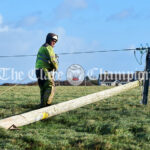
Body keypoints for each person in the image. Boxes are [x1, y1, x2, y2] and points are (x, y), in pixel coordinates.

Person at [35, 33, 58, 107]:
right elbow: (53, 60)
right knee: (50, 85)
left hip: (38, 70)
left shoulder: (42, 47)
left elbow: (45, 60)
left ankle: (42, 105)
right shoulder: (48, 47)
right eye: (53, 40)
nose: (54, 42)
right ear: (49, 39)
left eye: (56, 41)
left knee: (43, 88)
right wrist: (56, 67)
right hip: (43, 70)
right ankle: (47, 105)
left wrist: (50, 66)